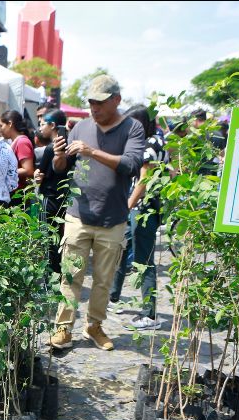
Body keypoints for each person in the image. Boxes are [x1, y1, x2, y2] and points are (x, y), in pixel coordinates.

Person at [47, 74, 145, 351]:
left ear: (116, 100)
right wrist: (59, 156)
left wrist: (92, 151)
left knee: (103, 281)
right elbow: (60, 169)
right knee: (70, 277)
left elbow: (131, 164)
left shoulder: (132, 128)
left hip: (112, 219)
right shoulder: (80, 127)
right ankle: (63, 329)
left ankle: (94, 326)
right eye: (91, 102)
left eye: (100, 103)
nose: (94, 108)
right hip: (78, 215)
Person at [108, 105, 168, 331]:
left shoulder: (152, 143)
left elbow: (143, 181)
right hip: (139, 208)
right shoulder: (150, 142)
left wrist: (126, 207)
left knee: (144, 261)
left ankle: (149, 314)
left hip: (143, 209)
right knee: (122, 252)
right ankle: (113, 299)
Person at [33, 108, 72, 274]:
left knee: (47, 240)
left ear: (53, 125)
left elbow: (40, 176)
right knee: (61, 240)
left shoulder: (50, 149)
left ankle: (50, 277)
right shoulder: (71, 147)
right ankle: (60, 274)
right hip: (65, 200)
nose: (40, 128)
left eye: (43, 124)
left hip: (48, 199)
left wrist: (36, 176)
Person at [0, 110, 36, 204]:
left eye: (1, 126)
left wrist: (4, 171)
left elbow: (28, 170)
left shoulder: (22, 142)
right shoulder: (16, 141)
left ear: (10, 124)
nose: (0, 129)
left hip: (18, 194)